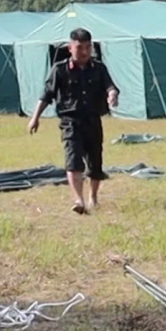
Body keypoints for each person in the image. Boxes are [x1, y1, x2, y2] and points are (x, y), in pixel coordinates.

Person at [27, 28, 119, 215]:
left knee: (95, 162)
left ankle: (93, 197)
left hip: (93, 120)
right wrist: (34, 118)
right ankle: (79, 200)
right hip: (70, 121)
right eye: (79, 48)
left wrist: (112, 95)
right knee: (73, 159)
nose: (84, 52)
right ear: (70, 48)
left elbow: (110, 86)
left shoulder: (99, 68)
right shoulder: (60, 69)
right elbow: (46, 95)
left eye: (87, 47)